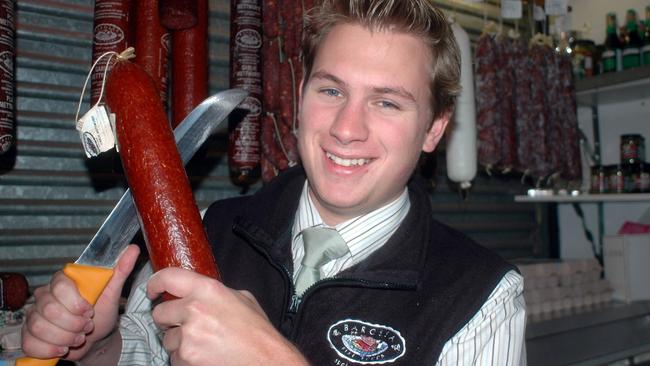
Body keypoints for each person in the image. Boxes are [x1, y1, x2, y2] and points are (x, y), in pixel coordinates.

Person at [22, 0, 527, 365]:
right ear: (301, 96)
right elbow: (144, 355)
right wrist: (96, 344)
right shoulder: (205, 230)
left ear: (434, 128)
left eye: (386, 101)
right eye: (331, 90)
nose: (346, 129)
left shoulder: (482, 300)